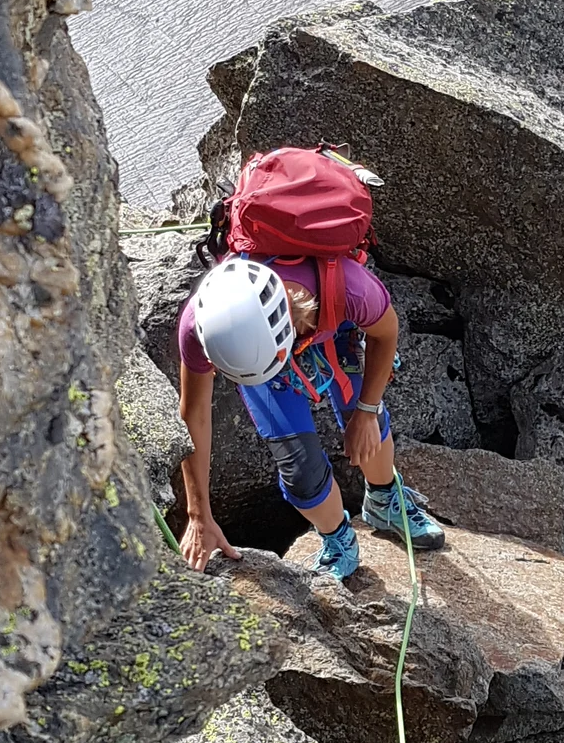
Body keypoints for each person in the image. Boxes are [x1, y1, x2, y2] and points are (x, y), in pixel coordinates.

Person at [174, 247, 446, 584]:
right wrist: (198, 513)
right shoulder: (199, 325)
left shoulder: (352, 290)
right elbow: (194, 415)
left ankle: (384, 497)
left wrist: (366, 411)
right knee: (299, 467)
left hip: (336, 325)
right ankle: (338, 538)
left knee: (365, 424)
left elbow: (386, 333)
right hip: (262, 354)